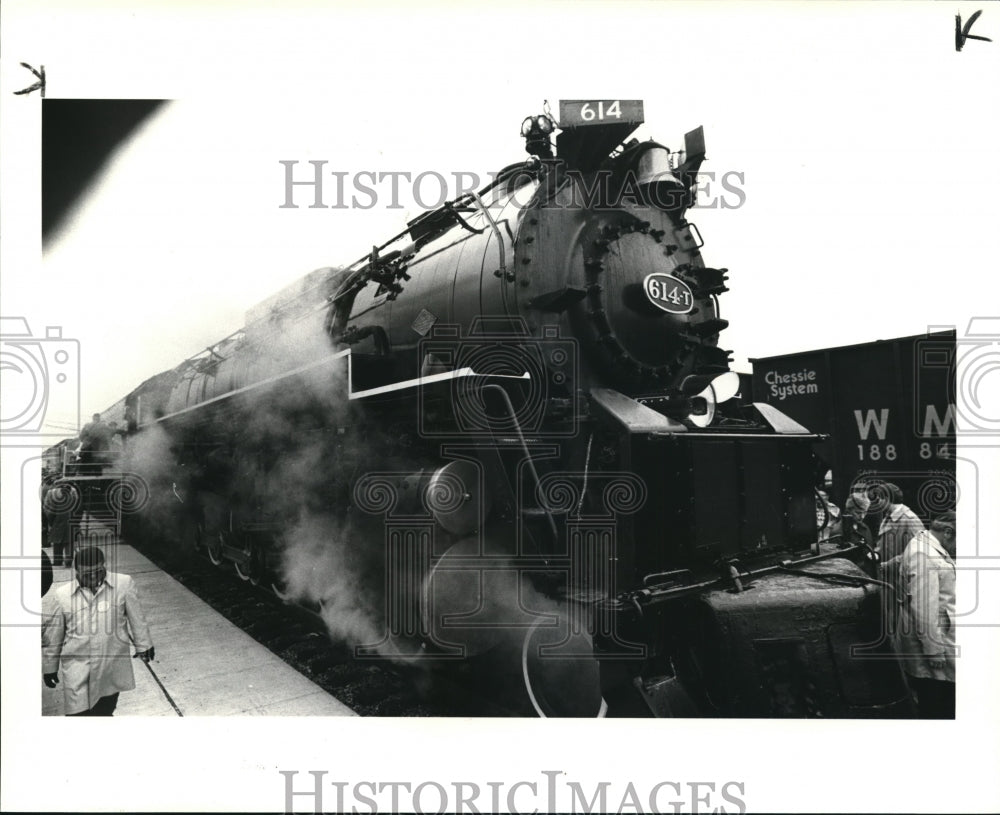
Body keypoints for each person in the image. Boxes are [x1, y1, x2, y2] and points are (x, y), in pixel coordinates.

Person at [42, 546, 154, 716]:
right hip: (77, 668)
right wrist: (50, 666)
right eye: (87, 574)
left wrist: (144, 645)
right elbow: (54, 636)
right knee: (76, 715)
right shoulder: (62, 595)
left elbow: (137, 618)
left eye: (98, 571)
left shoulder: (123, 584)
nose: (94, 577)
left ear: (104, 566)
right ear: (77, 572)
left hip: (110, 665)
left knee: (105, 711)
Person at [891, 511, 956, 718]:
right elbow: (923, 608)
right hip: (935, 647)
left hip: (941, 637)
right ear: (948, 532)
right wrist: (933, 650)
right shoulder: (924, 554)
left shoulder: (928, 547)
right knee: (938, 704)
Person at [874, 482, 924, 564]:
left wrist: (888, 565)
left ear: (886, 499)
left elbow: (917, 553)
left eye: (878, 499)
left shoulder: (910, 520)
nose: (877, 503)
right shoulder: (887, 518)